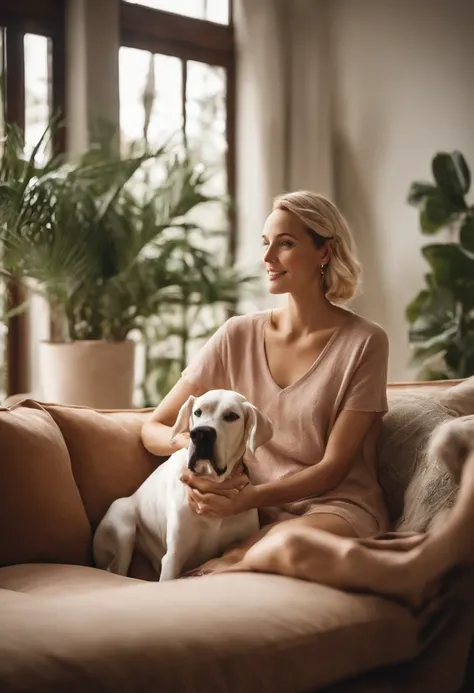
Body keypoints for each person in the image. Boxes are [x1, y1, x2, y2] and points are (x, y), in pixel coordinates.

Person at [141, 190, 396, 576]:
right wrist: (196, 450)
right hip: (252, 512)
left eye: (286, 244)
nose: (267, 258)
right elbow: (153, 427)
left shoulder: (365, 342)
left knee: (266, 549)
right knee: (234, 554)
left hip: (334, 507)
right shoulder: (236, 335)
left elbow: (333, 468)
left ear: (324, 252)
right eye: (265, 244)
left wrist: (243, 500)